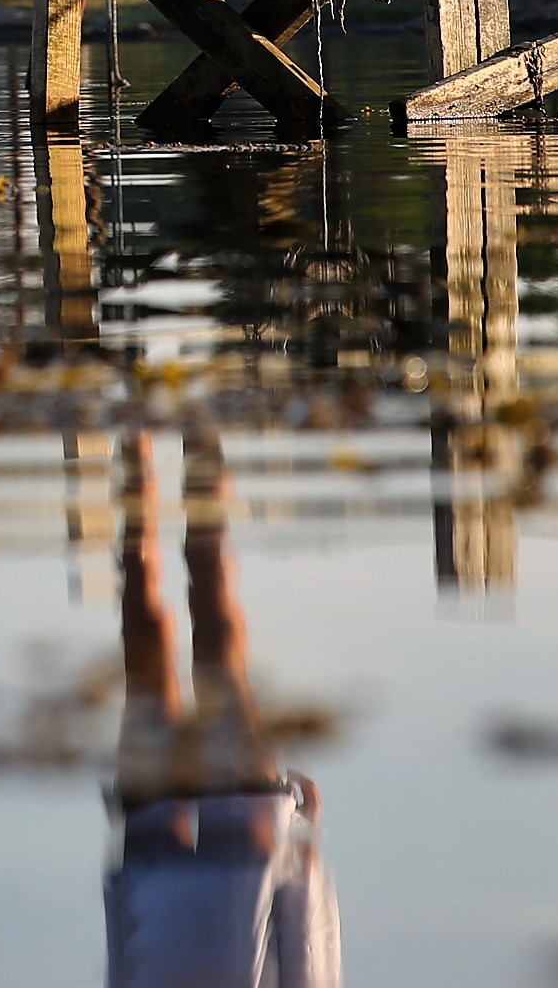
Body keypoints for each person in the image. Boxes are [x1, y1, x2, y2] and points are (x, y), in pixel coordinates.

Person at [105, 422, 342, 987]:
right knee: (146, 630)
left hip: (237, 876)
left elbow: (309, 957)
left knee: (214, 636)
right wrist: (120, 878)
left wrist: (305, 846)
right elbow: (121, 967)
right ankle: (142, 437)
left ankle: (199, 432)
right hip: (160, 891)